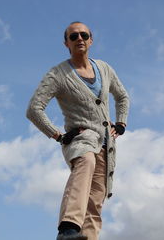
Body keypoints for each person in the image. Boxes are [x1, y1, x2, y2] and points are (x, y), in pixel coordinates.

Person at [26, 21, 129, 240]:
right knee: (86, 162)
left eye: (84, 35)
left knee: (95, 199)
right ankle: (68, 229)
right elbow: (34, 109)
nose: (79, 38)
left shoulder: (104, 68)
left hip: (105, 145)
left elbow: (122, 96)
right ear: (66, 43)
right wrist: (58, 135)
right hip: (80, 139)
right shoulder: (58, 74)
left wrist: (120, 123)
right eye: (74, 36)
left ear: (91, 40)